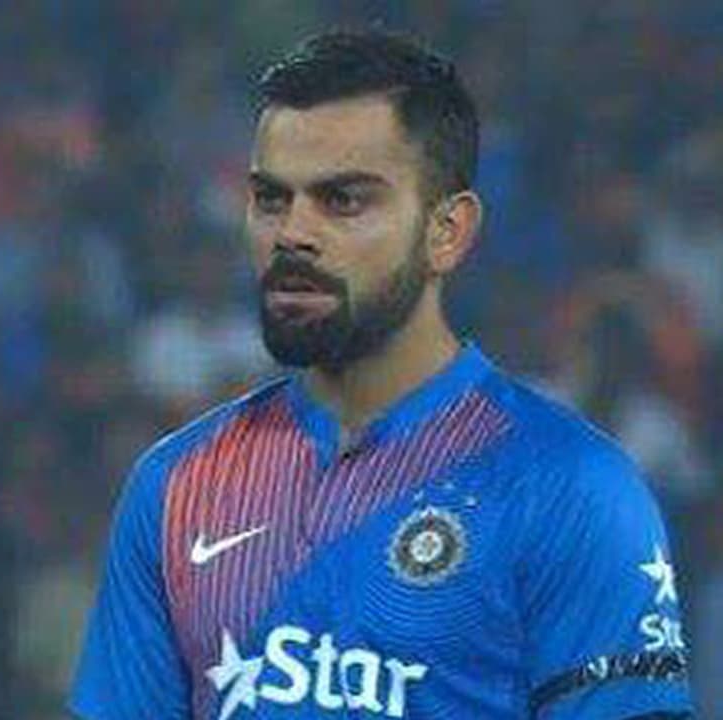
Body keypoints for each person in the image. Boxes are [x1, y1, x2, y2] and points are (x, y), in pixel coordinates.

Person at [71, 30, 694, 720]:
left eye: (343, 200)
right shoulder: (175, 485)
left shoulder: (571, 486)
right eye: (271, 199)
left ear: (447, 231)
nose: (292, 233)